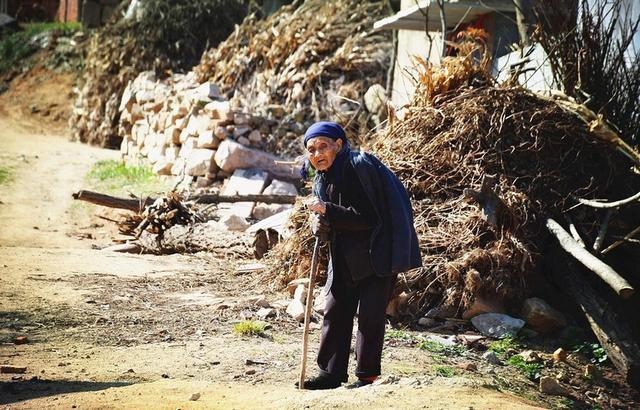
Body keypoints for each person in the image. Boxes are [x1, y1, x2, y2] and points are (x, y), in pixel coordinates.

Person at [299, 121, 422, 390]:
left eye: (323, 147)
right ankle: (330, 375)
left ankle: (367, 376)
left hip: (376, 255)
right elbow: (330, 216)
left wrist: (327, 210)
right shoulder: (323, 178)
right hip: (344, 257)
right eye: (312, 149)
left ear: (339, 145)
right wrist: (320, 222)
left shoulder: (357, 167)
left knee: (370, 318)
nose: (317, 154)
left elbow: (368, 217)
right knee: (334, 311)